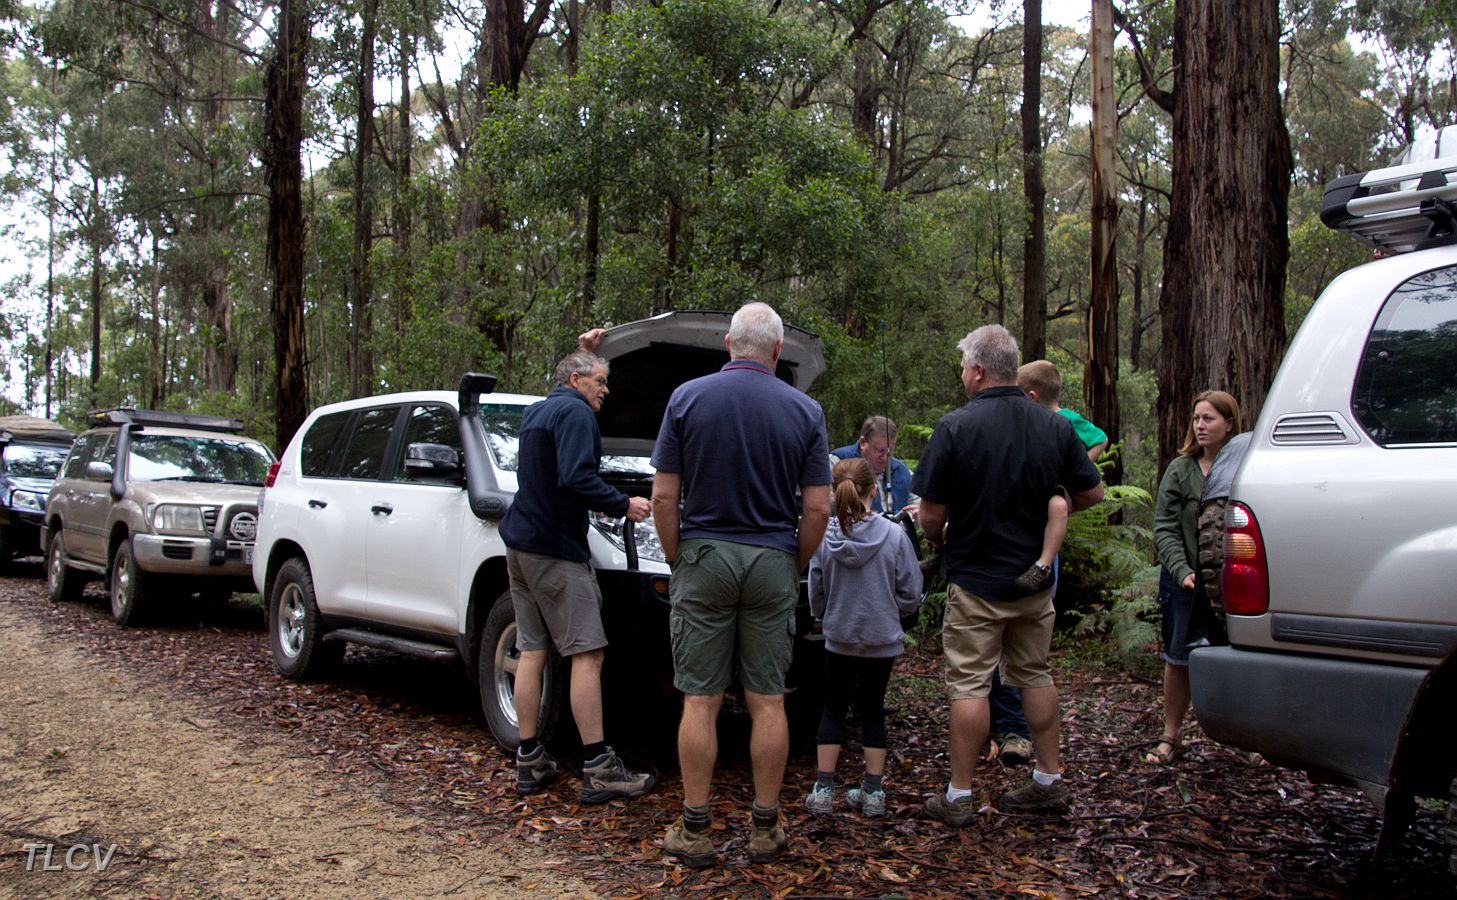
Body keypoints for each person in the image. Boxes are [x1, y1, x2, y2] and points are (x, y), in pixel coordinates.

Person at [651, 302, 832, 868]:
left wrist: (681, 559)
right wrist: (792, 561)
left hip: (703, 555)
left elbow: (662, 497)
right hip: (772, 559)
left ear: (728, 343)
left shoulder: (686, 398)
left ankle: (696, 829)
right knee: (768, 701)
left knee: (700, 700)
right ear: (777, 352)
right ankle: (765, 827)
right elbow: (819, 508)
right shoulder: (805, 410)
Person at [912, 325, 1103, 824]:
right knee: (1034, 673)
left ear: (977, 370)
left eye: (962, 368)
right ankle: (1048, 779)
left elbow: (930, 516)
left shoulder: (954, 427)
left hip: (975, 581)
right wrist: (1051, 512)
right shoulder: (1054, 426)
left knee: (970, 685)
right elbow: (1091, 493)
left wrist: (942, 539)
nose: (961, 376)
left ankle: (958, 796)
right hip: (1032, 582)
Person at [498, 349, 657, 804]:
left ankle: (529, 759)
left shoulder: (538, 411)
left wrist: (588, 341)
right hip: (554, 551)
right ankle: (599, 767)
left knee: (532, 649)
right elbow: (574, 478)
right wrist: (624, 505)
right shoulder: (575, 412)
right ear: (575, 379)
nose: (606, 389)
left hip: (520, 544)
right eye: (601, 380)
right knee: (588, 653)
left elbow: (552, 474)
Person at [803, 458, 923, 819]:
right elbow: (911, 590)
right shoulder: (894, 535)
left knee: (834, 706)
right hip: (881, 639)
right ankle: (872, 792)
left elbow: (816, 591)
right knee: (872, 708)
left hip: (839, 636)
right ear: (874, 490)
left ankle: (824, 789)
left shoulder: (825, 537)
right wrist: (896, 612)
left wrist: (826, 617)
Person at [1146, 390, 1242, 764]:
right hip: (1183, 582)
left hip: (1234, 586)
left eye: (1209, 419)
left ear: (1229, 424)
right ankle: (1170, 736)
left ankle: (1242, 739)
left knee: (1234, 658)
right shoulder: (1181, 469)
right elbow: (1165, 527)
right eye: (1197, 419)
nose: (1200, 426)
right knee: (1178, 659)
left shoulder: (1244, 468)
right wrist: (1182, 571)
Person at [1014, 360, 1110, 594]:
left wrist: (1083, 465)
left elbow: (1101, 438)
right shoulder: (1030, 423)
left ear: (1031, 397)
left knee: (1058, 507)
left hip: (1058, 488)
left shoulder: (1066, 419)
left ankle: (1043, 565)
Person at [829, 416, 913, 514]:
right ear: (863, 442)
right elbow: (824, 503)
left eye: (890, 452)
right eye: (880, 451)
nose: (885, 457)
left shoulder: (902, 471)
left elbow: (916, 504)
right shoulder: (837, 462)